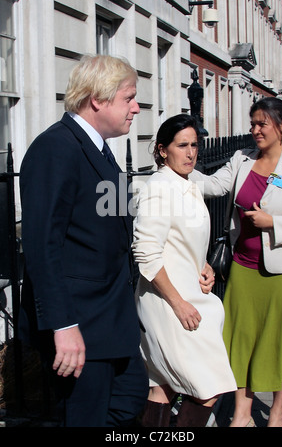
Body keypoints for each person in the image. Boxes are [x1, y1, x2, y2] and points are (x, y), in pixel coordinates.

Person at [19, 54, 148, 427]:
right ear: (98, 99)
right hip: (79, 326)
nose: (136, 108)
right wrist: (62, 325)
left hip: (112, 321)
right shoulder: (56, 148)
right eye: (129, 98)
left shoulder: (100, 149)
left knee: (129, 398)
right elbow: (43, 244)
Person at [193, 97, 282, 427]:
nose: (254, 130)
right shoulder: (242, 159)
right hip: (243, 265)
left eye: (261, 124)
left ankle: (277, 412)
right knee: (240, 340)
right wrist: (176, 170)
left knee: (278, 341)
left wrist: (275, 224)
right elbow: (214, 184)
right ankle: (242, 413)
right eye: (252, 124)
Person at [132, 114, 237, 427]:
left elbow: (180, 238)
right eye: (182, 146)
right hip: (169, 304)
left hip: (187, 295)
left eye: (194, 145)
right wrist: (178, 304)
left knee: (162, 389)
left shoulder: (187, 182)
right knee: (210, 386)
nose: (191, 152)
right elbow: (146, 254)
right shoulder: (160, 188)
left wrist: (201, 264)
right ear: (163, 150)